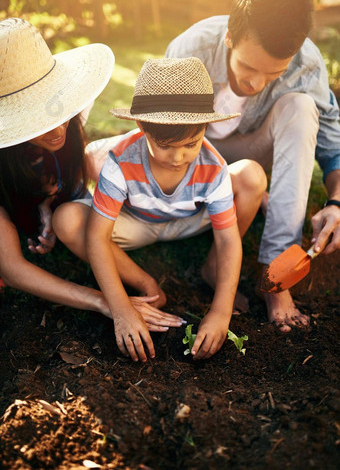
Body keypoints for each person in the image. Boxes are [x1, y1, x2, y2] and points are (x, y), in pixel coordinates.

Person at [53, 57, 267, 362]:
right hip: (136, 223)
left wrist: (221, 312)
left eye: (191, 144)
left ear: (206, 126)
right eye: (165, 146)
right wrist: (122, 309)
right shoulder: (121, 161)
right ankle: (146, 284)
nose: (178, 157)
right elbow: (98, 238)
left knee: (251, 175)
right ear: (141, 128)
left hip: (192, 219)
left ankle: (211, 268)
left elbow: (228, 240)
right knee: (68, 219)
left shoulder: (212, 166)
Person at [165, 0, 340, 332]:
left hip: (254, 153)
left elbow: (333, 153)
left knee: (301, 108)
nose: (256, 83)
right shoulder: (189, 51)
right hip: (194, 155)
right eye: (248, 67)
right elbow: (160, 135)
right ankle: (245, 198)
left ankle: (277, 275)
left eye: (273, 72)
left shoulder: (306, 65)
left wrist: (337, 203)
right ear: (230, 37)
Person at [0, 17, 183, 332]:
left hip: (61, 199)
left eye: (58, 112)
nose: (59, 131)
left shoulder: (72, 118)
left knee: (109, 157)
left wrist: (48, 204)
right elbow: (14, 269)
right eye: (38, 122)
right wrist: (104, 300)